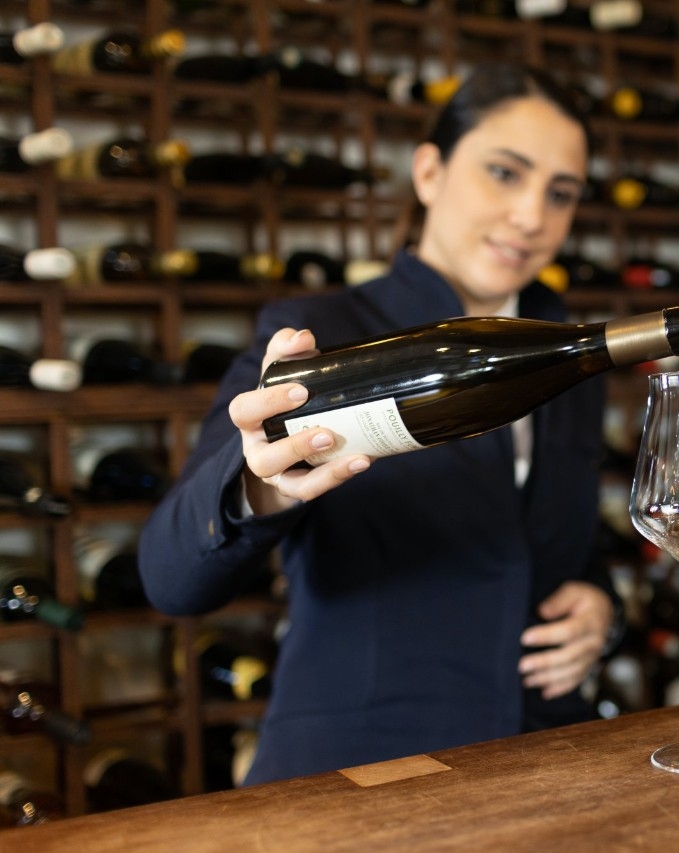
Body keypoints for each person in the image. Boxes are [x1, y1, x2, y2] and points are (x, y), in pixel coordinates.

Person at [138, 63, 620, 785]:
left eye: (561, 193)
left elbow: (555, 540)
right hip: (362, 775)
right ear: (429, 172)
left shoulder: (572, 350)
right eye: (504, 173)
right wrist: (260, 486)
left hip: (544, 768)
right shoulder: (323, 335)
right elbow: (170, 578)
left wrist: (601, 606)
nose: (531, 216)